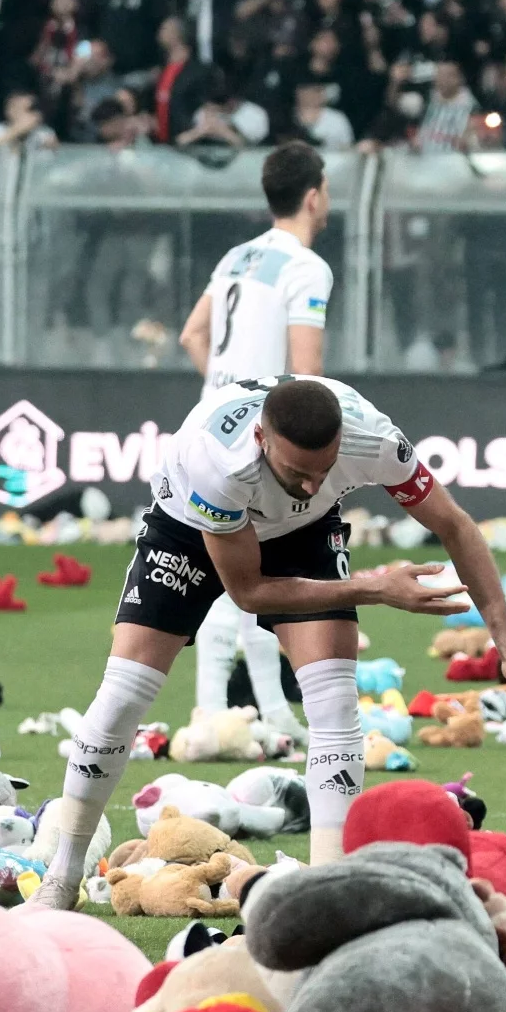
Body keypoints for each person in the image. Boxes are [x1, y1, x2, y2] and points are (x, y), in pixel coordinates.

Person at [35, 377, 506, 900]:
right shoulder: (217, 463)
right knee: (125, 693)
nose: (312, 484)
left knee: (334, 701)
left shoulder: (372, 439)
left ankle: (326, 889)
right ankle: (62, 876)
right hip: (190, 530)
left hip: (303, 532)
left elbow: (456, 526)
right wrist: (375, 589)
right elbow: (251, 591)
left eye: (324, 470)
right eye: (297, 471)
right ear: (262, 439)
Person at [173, 144, 337, 737]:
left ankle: (269, 711)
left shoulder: (236, 257)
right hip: (259, 438)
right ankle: (214, 716)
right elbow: (309, 378)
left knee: (243, 570)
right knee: (241, 579)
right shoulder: (306, 268)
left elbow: (193, 334)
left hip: (206, 428)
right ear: (314, 195)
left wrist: (224, 395)